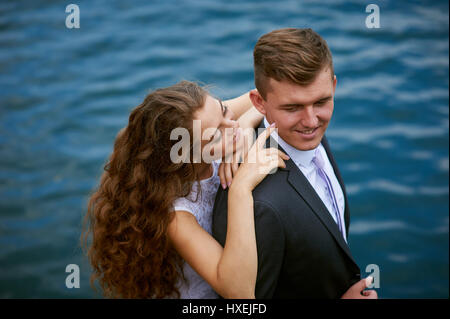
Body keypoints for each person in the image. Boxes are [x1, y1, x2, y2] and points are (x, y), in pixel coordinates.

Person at [81, 80, 289, 298]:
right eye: (215, 136)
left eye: (225, 111)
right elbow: (239, 292)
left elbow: (265, 99)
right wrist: (241, 188)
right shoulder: (176, 216)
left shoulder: (207, 119)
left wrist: (244, 125)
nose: (230, 125)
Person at [212, 28, 378, 299]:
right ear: (259, 103)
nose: (312, 121)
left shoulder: (302, 131)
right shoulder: (260, 208)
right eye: (292, 108)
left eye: (322, 102)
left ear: (333, 86)